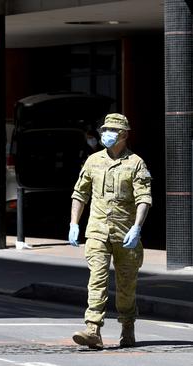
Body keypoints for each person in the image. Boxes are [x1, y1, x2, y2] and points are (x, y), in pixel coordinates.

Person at [68, 113, 152, 349]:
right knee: (97, 280)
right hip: (97, 231)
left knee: (126, 286)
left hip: (126, 233)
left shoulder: (136, 163)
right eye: (105, 129)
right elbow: (79, 194)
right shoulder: (93, 161)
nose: (106, 134)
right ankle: (93, 329)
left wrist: (137, 228)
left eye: (111, 130)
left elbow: (144, 198)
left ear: (123, 134)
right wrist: (74, 223)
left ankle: (127, 327)